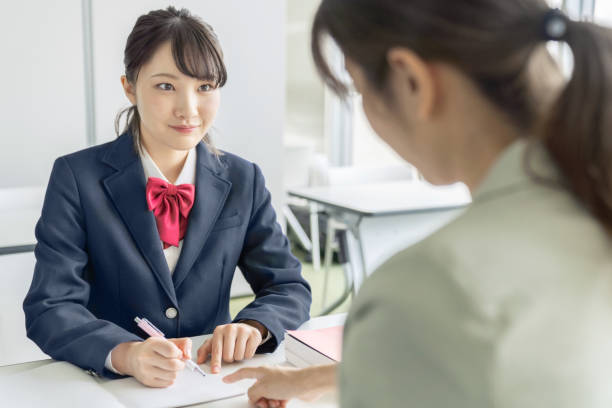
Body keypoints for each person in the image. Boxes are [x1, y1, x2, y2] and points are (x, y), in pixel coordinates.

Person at [223, 1, 612, 407]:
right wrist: (311, 380)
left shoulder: (430, 288)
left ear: (412, 81)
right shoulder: (588, 208)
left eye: (359, 90)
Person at [22, 6, 311, 388]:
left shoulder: (244, 178)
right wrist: (124, 353)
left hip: (210, 384)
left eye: (204, 87)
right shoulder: (77, 177)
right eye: (165, 86)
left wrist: (254, 326)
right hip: (112, 388)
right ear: (129, 86)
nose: (188, 109)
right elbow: (50, 306)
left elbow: (288, 286)